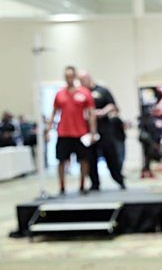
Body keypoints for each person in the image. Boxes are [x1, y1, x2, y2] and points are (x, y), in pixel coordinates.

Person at [51, 65, 96, 195]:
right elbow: (54, 112)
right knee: (61, 160)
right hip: (63, 132)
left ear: (75, 77)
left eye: (71, 76)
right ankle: (62, 186)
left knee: (84, 159)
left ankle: (82, 185)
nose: (69, 79)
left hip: (80, 132)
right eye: (67, 77)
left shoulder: (84, 92)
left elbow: (91, 113)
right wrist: (48, 129)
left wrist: (93, 132)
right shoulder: (60, 94)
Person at [78, 71, 126, 191]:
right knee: (90, 157)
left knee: (110, 155)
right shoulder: (81, 94)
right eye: (80, 80)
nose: (82, 82)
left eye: (84, 79)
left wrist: (102, 112)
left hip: (104, 129)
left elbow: (113, 106)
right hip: (87, 130)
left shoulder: (102, 91)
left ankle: (119, 180)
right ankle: (95, 184)